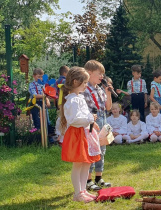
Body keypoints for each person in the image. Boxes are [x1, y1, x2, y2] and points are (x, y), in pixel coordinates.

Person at [60, 67, 101, 203]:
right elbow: (74, 120)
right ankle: (77, 193)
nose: (85, 86)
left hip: (84, 133)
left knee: (86, 163)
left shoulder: (79, 98)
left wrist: (92, 121)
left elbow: (84, 115)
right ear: (76, 81)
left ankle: (83, 190)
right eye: (84, 83)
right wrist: (89, 119)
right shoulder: (72, 101)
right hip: (77, 134)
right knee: (78, 164)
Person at [82, 60, 112, 191]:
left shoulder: (99, 89)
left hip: (102, 121)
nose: (102, 76)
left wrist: (109, 92)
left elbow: (108, 107)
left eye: (103, 74)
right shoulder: (84, 90)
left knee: (101, 150)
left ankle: (98, 178)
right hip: (91, 124)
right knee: (91, 151)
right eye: (99, 73)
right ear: (89, 73)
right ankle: (88, 180)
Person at [28, 68, 54, 143]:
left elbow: (46, 92)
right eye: (38, 76)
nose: (40, 78)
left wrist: (47, 100)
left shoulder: (43, 84)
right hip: (35, 104)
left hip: (43, 103)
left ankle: (49, 138)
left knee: (46, 121)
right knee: (38, 121)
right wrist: (45, 97)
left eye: (41, 76)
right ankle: (39, 140)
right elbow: (35, 95)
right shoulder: (32, 84)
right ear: (34, 76)